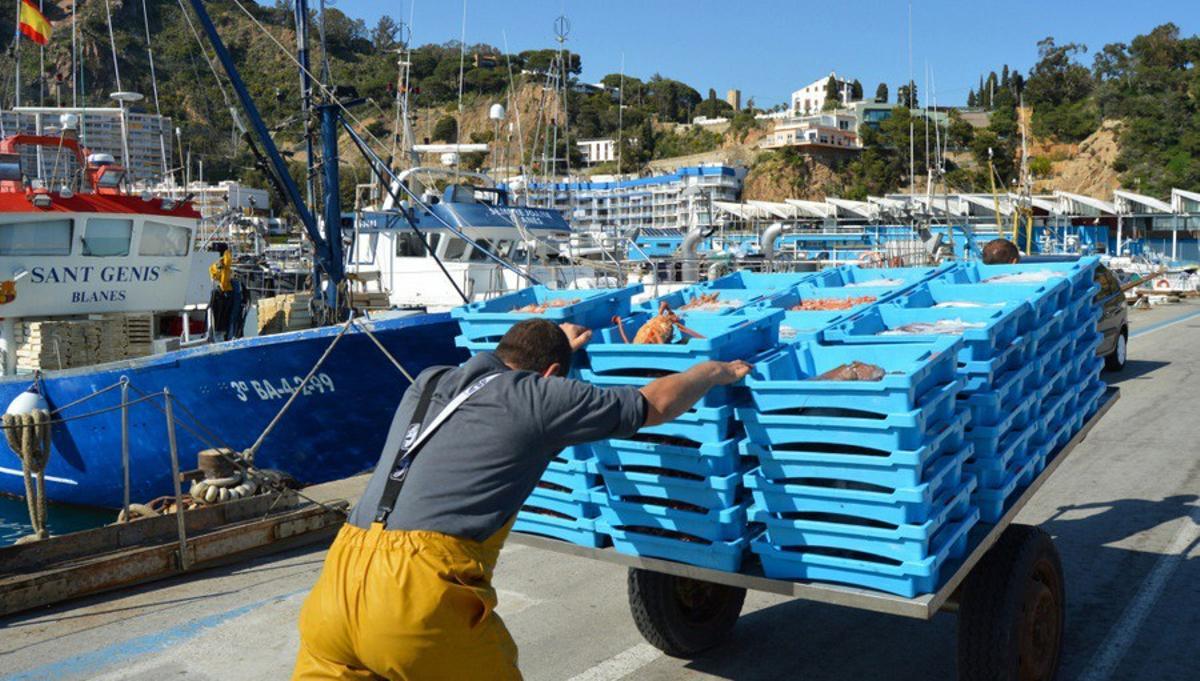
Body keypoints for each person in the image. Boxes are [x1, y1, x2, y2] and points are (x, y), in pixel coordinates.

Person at [292, 319, 752, 680]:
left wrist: (555, 352)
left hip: (336, 586)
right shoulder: (538, 398)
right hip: (414, 598)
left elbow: (500, 384)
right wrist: (712, 372)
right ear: (551, 376)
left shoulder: (429, 382)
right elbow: (657, 404)